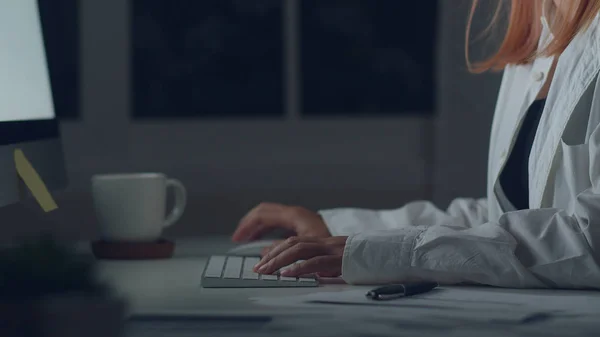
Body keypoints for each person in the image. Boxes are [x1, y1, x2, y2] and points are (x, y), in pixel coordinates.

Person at [232, 0, 600, 289]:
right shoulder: (540, 47)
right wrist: (337, 229)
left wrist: (392, 253)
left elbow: (589, 241)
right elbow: (503, 220)